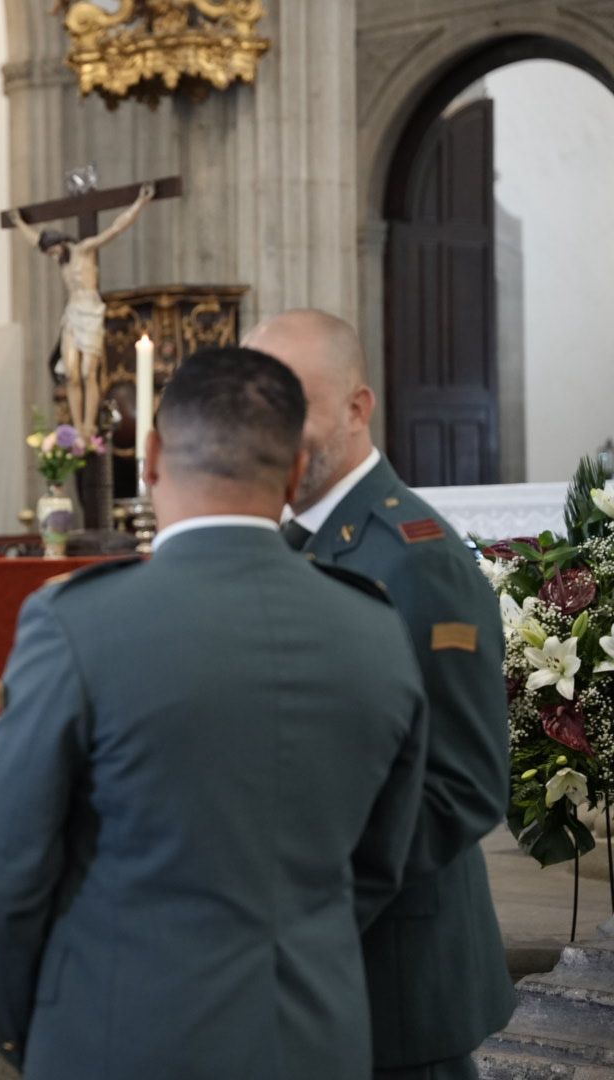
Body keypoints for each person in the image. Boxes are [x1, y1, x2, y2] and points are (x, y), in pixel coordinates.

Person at [0, 346, 430, 1079]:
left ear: (148, 457)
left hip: (123, 1035)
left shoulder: (79, 623)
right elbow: (378, 862)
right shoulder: (376, 628)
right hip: (317, 1038)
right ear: (297, 469)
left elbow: (3, 870)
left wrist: (33, 1032)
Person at [246, 309, 514, 1080]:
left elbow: (463, 785)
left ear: (358, 408)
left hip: (395, 975)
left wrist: (312, 904)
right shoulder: (301, 543)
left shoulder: (413, 560)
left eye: (291, 400)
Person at [9, 183, 153, 438]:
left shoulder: (83, 250)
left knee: (89, 372)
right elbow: (34, 240)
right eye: (49, 253)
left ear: (61, 242)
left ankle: (89, 424)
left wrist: (139, 204)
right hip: (73, 312)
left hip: (91, 310)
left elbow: (115, 229)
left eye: (53, 250)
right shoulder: (61, 259)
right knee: (72, 373)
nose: (53, 256)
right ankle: (77, 426)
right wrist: (19, 222)